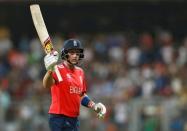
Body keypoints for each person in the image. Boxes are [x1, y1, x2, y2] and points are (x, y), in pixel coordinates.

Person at [43, 39, 106, 131]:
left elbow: (81, 95)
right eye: (72, 53)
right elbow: (46, 85)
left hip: (74, 119)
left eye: (77, 53)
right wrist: (49, 71)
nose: (75, 56)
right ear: (65, 53)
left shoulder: (80, 72)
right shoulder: (57, 69)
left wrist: (93, 105)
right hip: (58, 117)